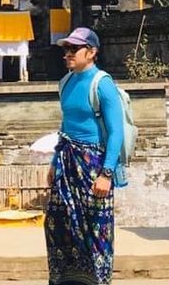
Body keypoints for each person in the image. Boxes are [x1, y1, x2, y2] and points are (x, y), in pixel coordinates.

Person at [44, 27, 124, 285]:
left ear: (91, 53)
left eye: (74, 49)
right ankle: (66, 279)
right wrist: (54, 163)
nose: (67, 54)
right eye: (65, 49)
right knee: (59, 223)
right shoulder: (65, 82)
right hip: (67, 160)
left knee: (94, 227)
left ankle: (96, 280)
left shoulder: (102, 84)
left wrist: (106, 173)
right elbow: (65, 127)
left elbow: (115, 132)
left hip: (93, 165)